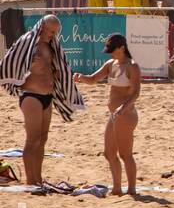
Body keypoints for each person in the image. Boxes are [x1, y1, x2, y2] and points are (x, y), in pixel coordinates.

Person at [0, 15, 84, 186]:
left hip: (47, 96)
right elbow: (9, 62)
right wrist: (17, 81)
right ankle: (30, 181)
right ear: (42, 28)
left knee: (43, 138)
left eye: (55, 32)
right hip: (31, 95)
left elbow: (54, 67)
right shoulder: (27, 44)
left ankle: (37, 178)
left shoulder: (51, 46)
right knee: (32, 139)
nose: (53, 35)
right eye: (51, 31)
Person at [74, 34, 141, 196]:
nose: (111, 54)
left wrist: (123, 108)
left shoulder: (132, 66)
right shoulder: (111, 64)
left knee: (125, 154)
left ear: (122, 48)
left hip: (126, 115)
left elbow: (136, 93)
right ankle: (117, 188)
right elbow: (93, 79)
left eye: (113, 50)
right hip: (114, 115)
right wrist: (80, 77)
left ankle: (131, 189)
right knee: (109, 153)